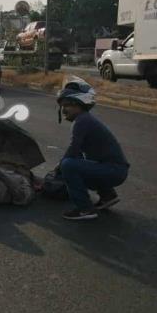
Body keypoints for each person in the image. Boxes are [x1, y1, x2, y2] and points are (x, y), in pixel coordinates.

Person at [56, 79, 129, 221]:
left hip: (114, 171)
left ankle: (85, 209)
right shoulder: (85, 119)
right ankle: (107, 196)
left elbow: (73, 148)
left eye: (68, 105)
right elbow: (76, 153)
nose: (63, 109)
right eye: (62, 106)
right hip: (115, 169)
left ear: (80, 105)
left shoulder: (82, 121)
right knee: (76, 163)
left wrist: (59, 166)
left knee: (68, 165)